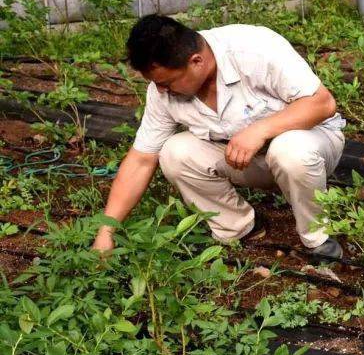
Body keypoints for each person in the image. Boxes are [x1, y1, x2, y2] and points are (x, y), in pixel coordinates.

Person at [92, 15, 346, 260]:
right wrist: (106, 232)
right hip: (244, 160)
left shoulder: (255, 49)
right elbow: (141, 160)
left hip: (312, 144)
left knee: (290, 150)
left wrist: (260, 129)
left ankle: (318, 238)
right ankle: (238, 228)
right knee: (174, 152)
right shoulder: (162, 91)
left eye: (167, 82)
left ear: (196, 61)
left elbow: (322, 104)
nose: (161, 90)